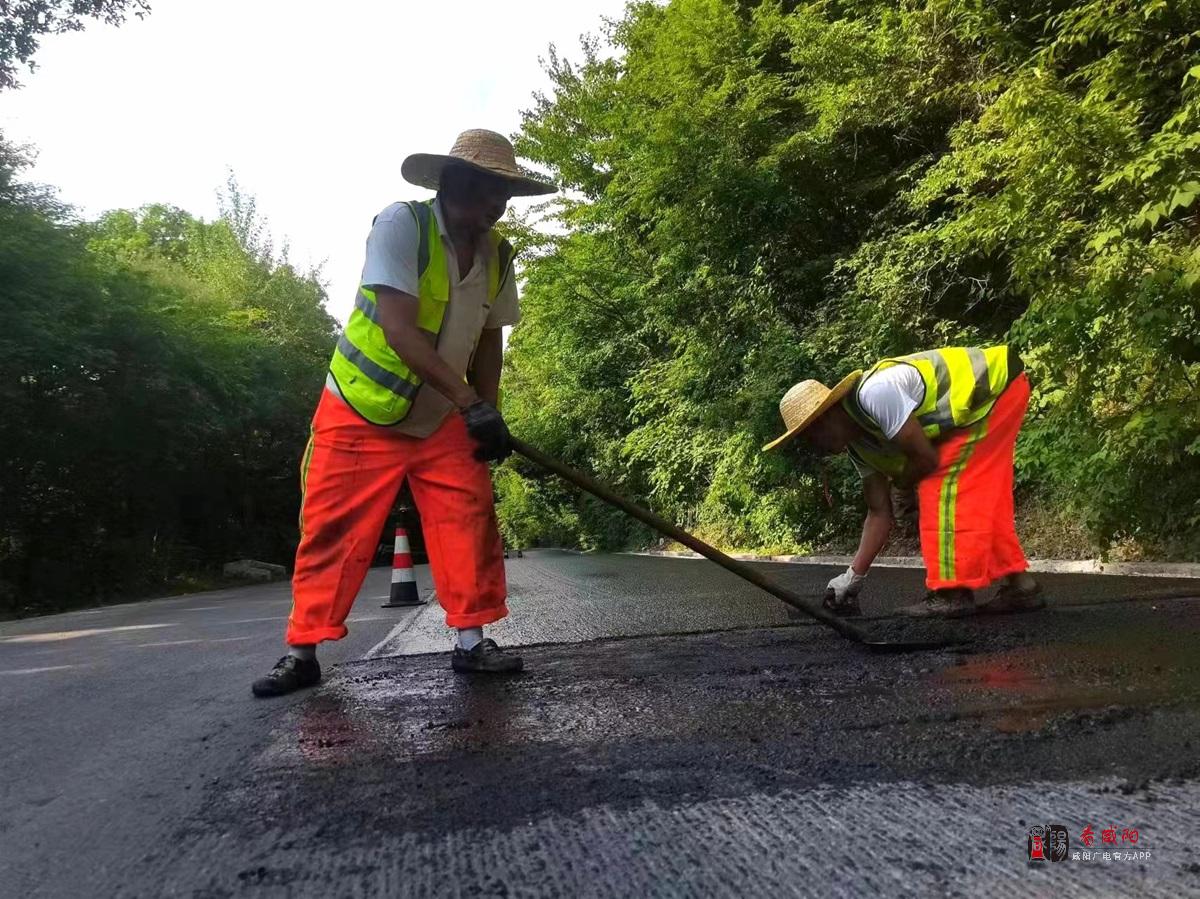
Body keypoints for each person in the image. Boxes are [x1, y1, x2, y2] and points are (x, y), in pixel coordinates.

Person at [252, 130, 556, 697]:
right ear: (453, 181)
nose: (499, 205)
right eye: (492, 190)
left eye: (507, 195)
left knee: (468, 519)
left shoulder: (499, 255)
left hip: (442, 416)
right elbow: (397, 329)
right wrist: (470, 404)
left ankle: (471, 644)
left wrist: (487, 412)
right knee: (332, 529)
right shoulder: (403, 226)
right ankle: (302, 653)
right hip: (361, 409)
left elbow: (490, 340)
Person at [763, 345, 1043, 618]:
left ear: (826, 418)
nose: (816, 446)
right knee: (973, 499)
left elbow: (925, 459)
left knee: (941, 489)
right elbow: (878, 512)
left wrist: (902, 486)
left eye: (812, 436)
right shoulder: (859, 448)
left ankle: (952, 594)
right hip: (982, 404)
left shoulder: (876, 394)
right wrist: (852, 577)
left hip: (990, 388)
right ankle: (1022, 587)